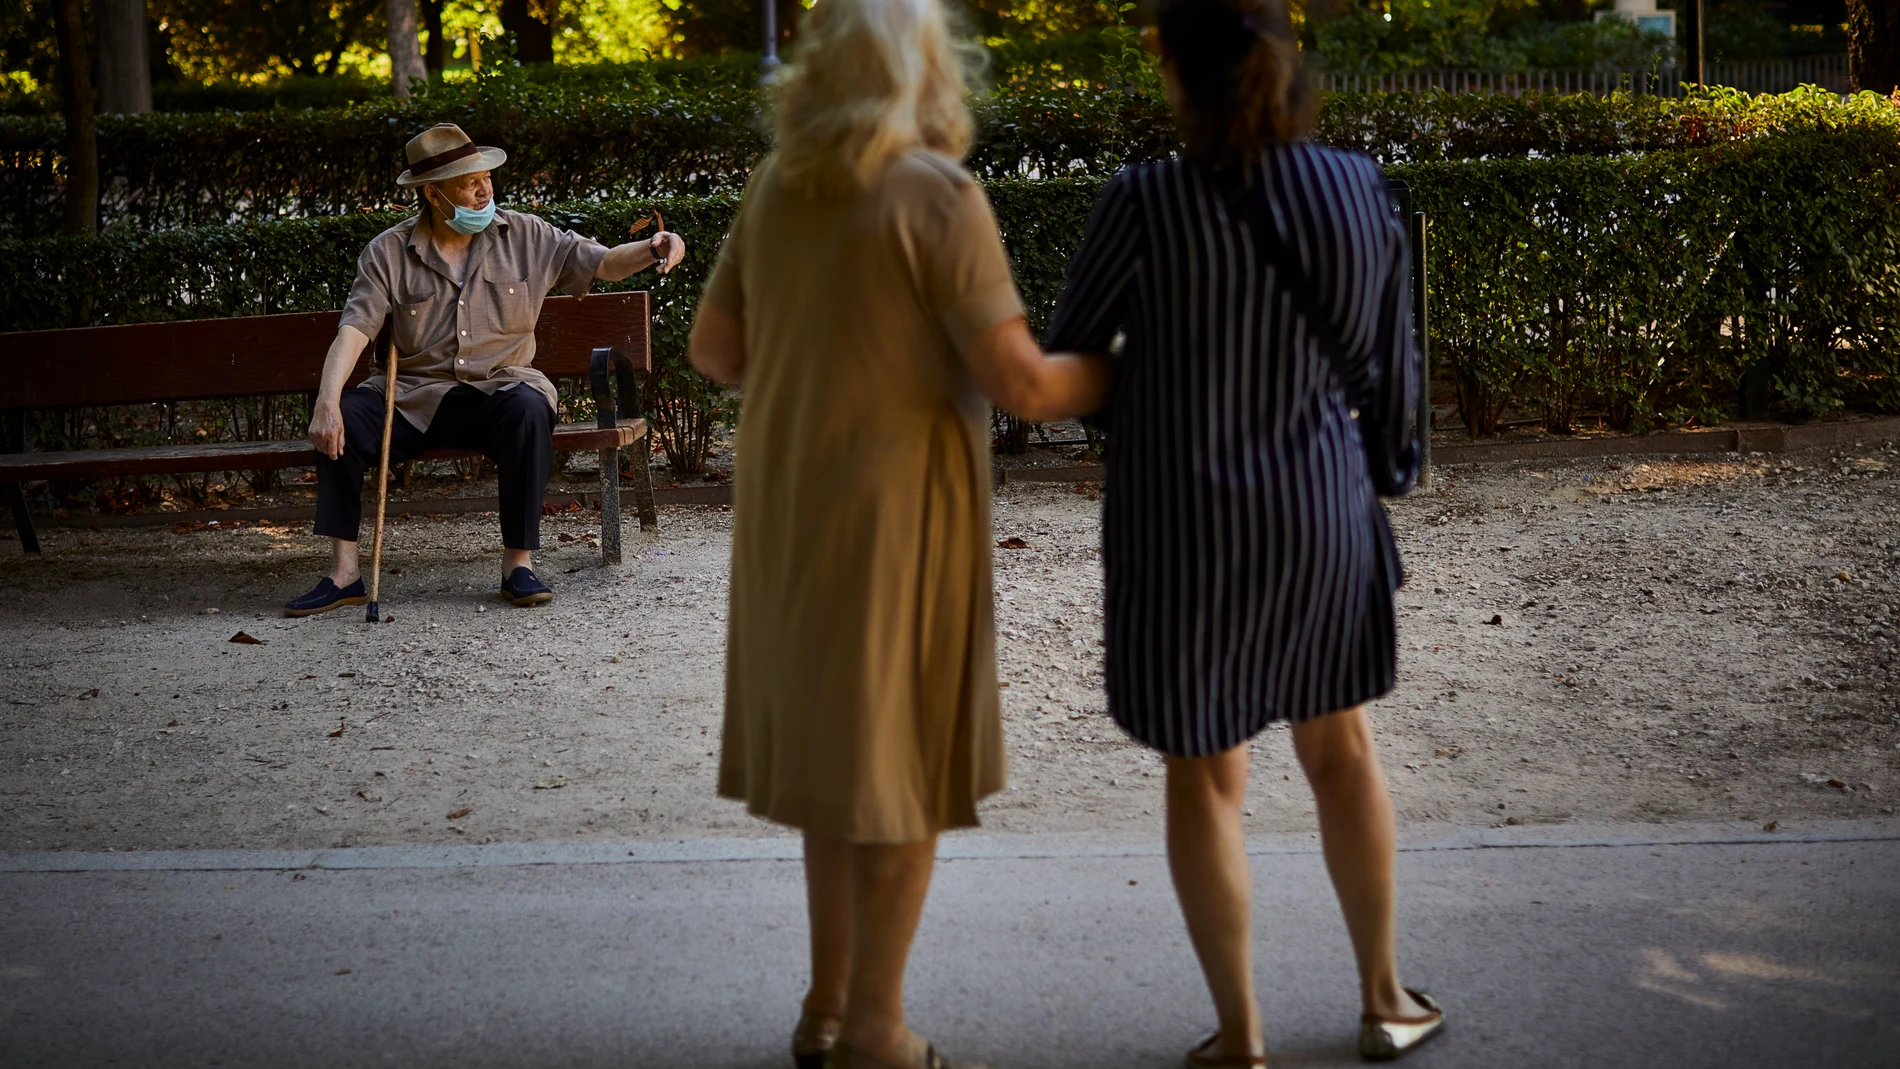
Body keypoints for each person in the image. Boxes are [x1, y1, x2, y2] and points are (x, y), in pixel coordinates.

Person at [687, 0, 1107, 1064]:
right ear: (926, 68)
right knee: (905, 763)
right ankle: (879, 1027)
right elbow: (1017, 378)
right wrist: (1127, 363)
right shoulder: (937, 193)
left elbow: (714, 352)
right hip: (900, 509)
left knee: (835, 761)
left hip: (788, 510)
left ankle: (825, 1007)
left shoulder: (776, 188)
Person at [1042, 0, 1444, 1064]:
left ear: (1177, 73)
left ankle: (1242, 1034)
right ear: (1284, 64)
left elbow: (1074, 355)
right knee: (1343, 751)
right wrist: (1387, 471)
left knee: (1206, 773)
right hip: (1320, 507)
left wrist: (1153, 399)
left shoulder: (1144, 201)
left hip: (1182, 521)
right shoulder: (1359, 189)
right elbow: (1394, 371)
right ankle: (1384, 998)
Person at [285, 122, 687, 616]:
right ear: (433, 194)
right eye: (468, 181)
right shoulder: (388, 253)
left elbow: (602, 262)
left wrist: (652, 249)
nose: (484, 188)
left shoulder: (527, 235)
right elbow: (355, 330)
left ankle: (517, 565)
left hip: (501, 387)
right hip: (415, 395)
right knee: (342, 419)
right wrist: (327, 403)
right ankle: (344, 574)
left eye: (486, 177)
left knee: (528, 410)